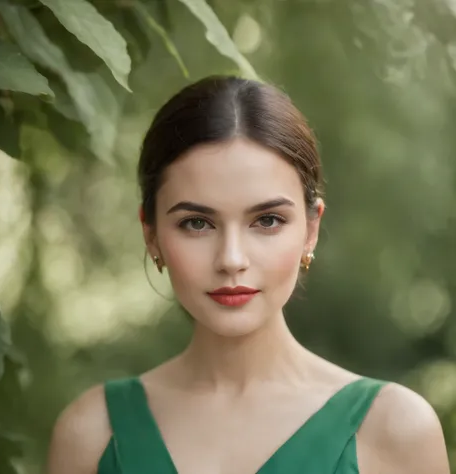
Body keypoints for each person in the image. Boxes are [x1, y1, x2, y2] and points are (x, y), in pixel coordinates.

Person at [47, 76, 450, 474]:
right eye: (197, 223)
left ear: (311, 229)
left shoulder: (394, 431)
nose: (231, 259)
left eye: (268, 220)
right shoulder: (92, 434)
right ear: (150, 233)